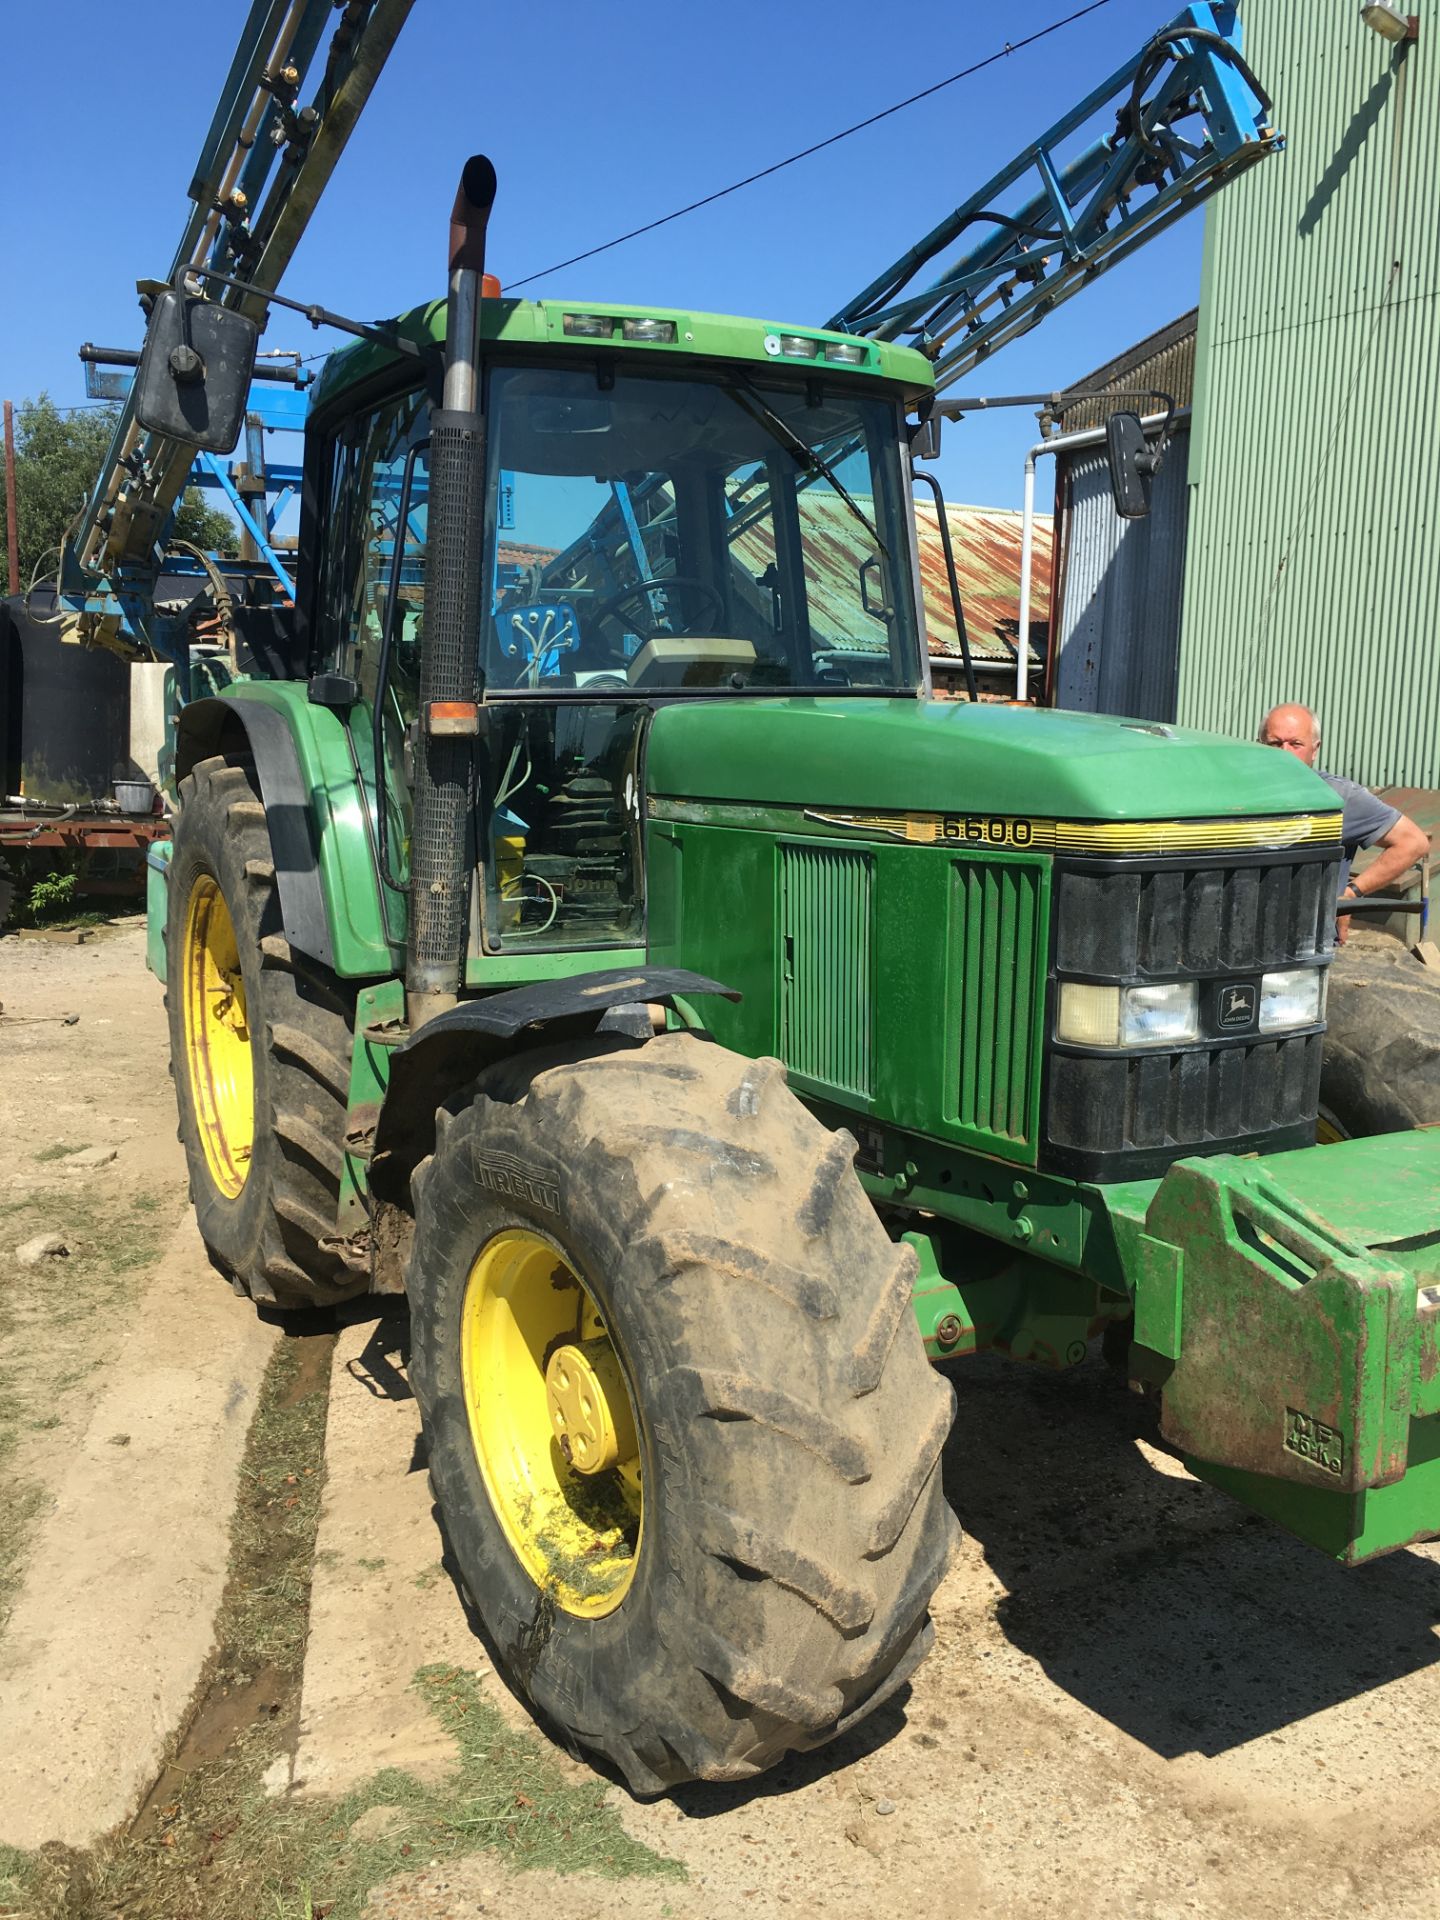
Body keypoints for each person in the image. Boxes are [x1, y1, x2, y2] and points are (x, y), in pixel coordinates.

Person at [1259, 703, 1430, 932]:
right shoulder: (1243, 795)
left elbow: (1413, 842)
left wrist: (1350, 894)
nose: (1285, 753)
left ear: (1315, 749)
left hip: (1308, 942)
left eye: (1296, 744)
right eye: (1276, 743)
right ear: (1261, 746)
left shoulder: (1338, 797)